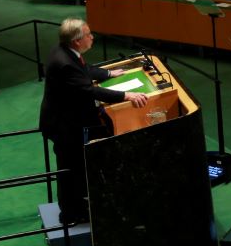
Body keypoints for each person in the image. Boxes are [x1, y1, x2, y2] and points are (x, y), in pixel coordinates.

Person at [38, 18, 149, 223]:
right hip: (64, 127)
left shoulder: (65, 52)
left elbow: (85, 70)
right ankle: (70, 214)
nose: (92, 37)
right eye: (88, 34)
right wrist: (127, 96)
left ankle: (78, 205)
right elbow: (88, 90)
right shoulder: (64, 63)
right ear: (77, 41)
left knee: (75, 167)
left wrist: (108, 73)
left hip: (67, 120)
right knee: (70, 169)